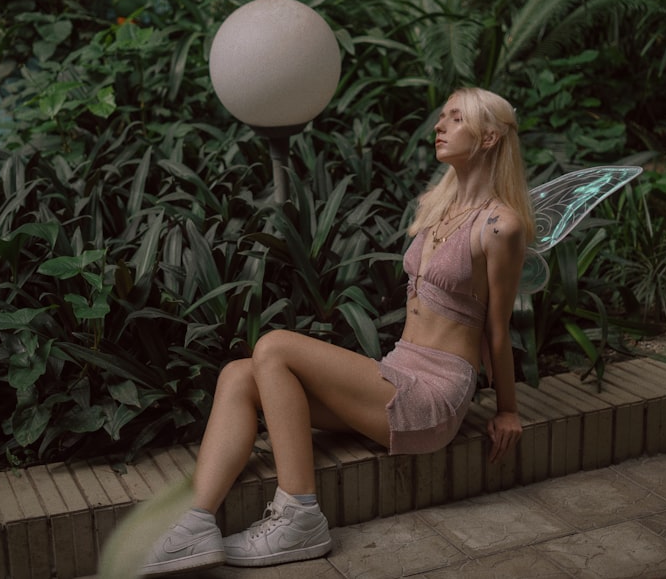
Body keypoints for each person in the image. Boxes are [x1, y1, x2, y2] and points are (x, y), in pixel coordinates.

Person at [141, 87, 534, 576]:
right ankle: (196, 523)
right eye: (442, 117)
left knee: (275, 346)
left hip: (434, 394)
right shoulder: (436, 203)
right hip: (397, 371)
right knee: (240, 375)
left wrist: (509, 411)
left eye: (455, 118)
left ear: (490, 137)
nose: (439, 126)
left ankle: (300, 514)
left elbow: (498, 329)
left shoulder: (501, 226)